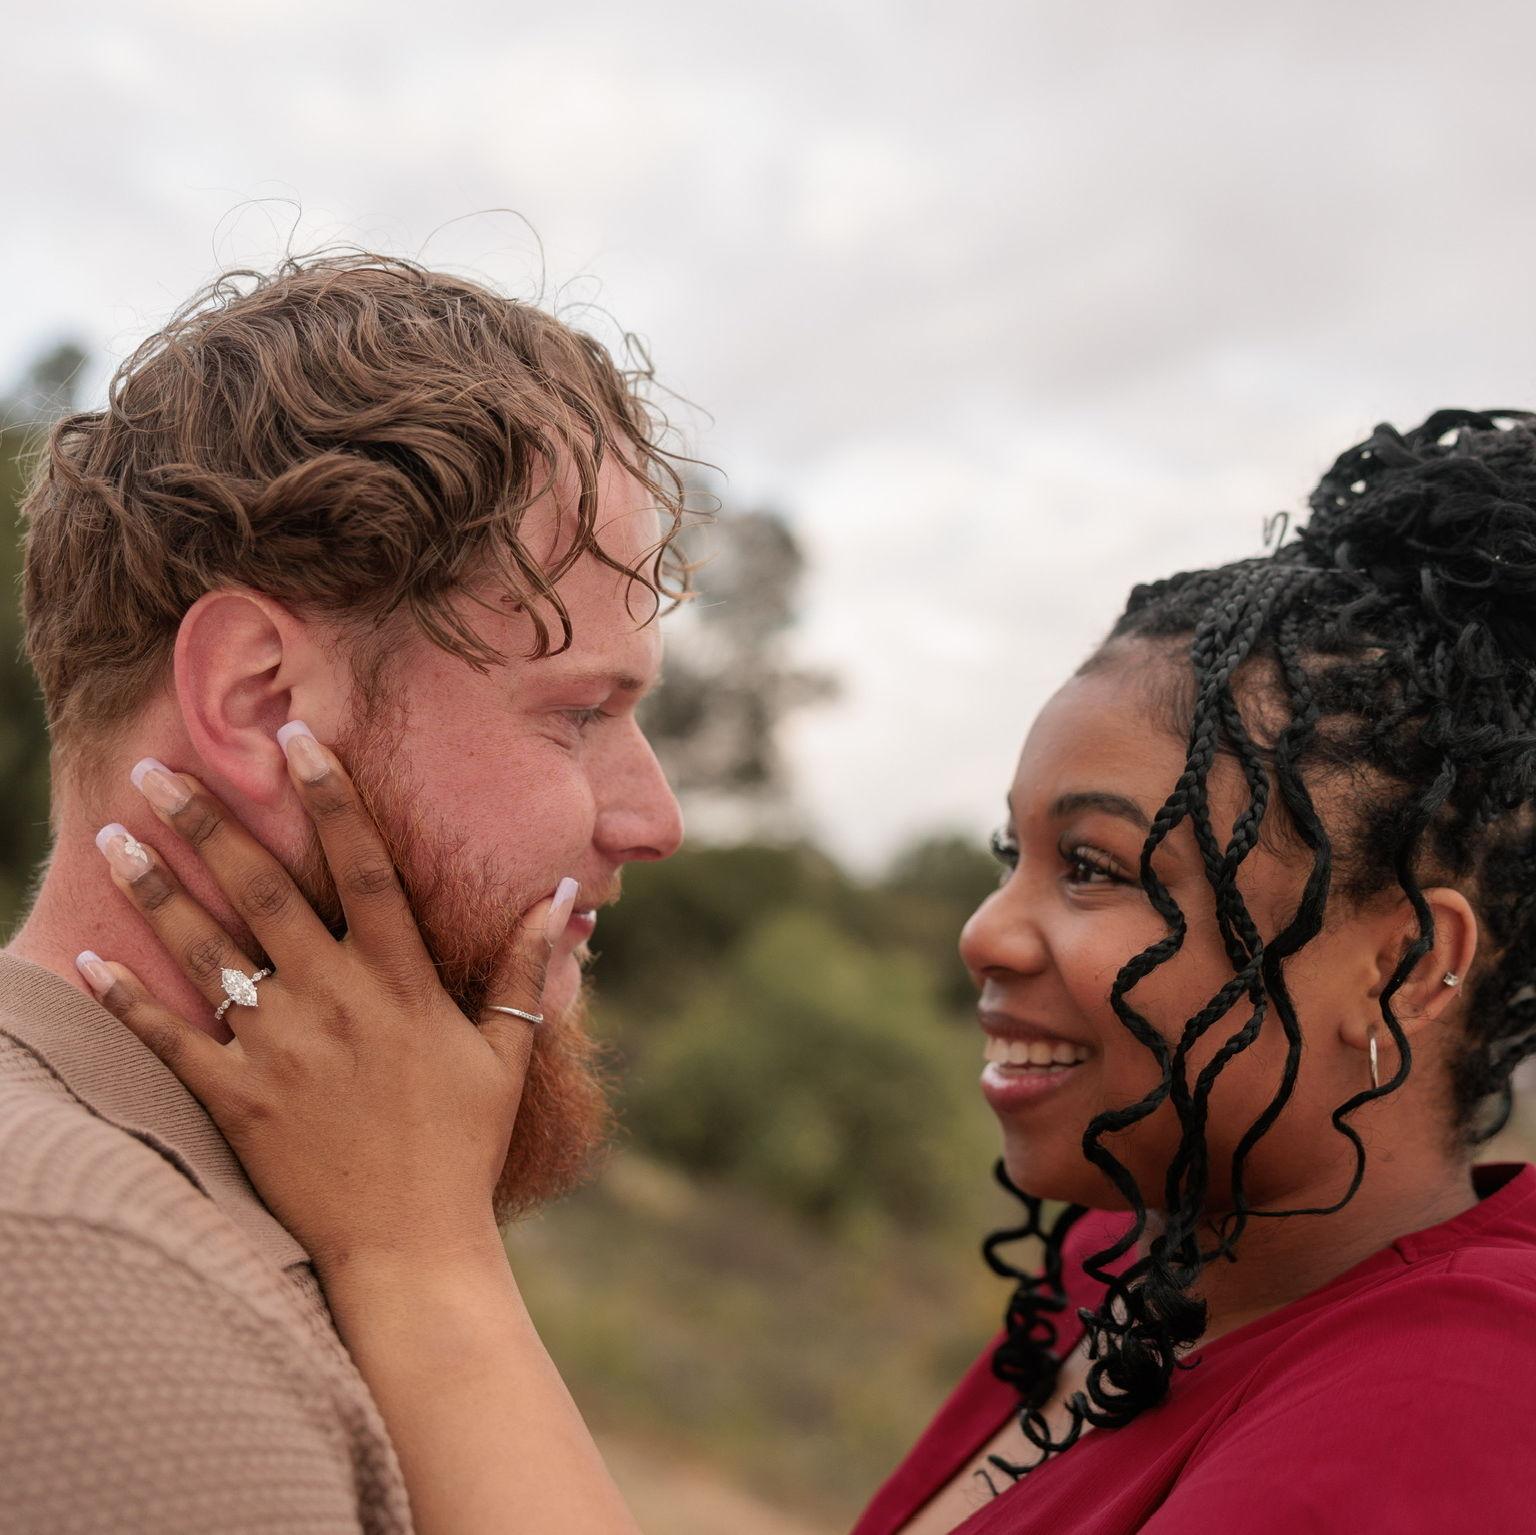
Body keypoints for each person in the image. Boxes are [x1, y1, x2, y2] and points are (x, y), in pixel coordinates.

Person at [74, 406, 1536, 1535]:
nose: (987, 929)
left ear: (1407, 956)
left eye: (1092, 867)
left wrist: (421, 1250)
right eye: (1007, 852)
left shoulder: (1460, 1411)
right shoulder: (1137, 1271)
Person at [0, 252, 688, 1532]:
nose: (655, 819)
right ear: (262, 701)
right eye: (579, 713)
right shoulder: (83, 1278)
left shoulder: (289, 1197)